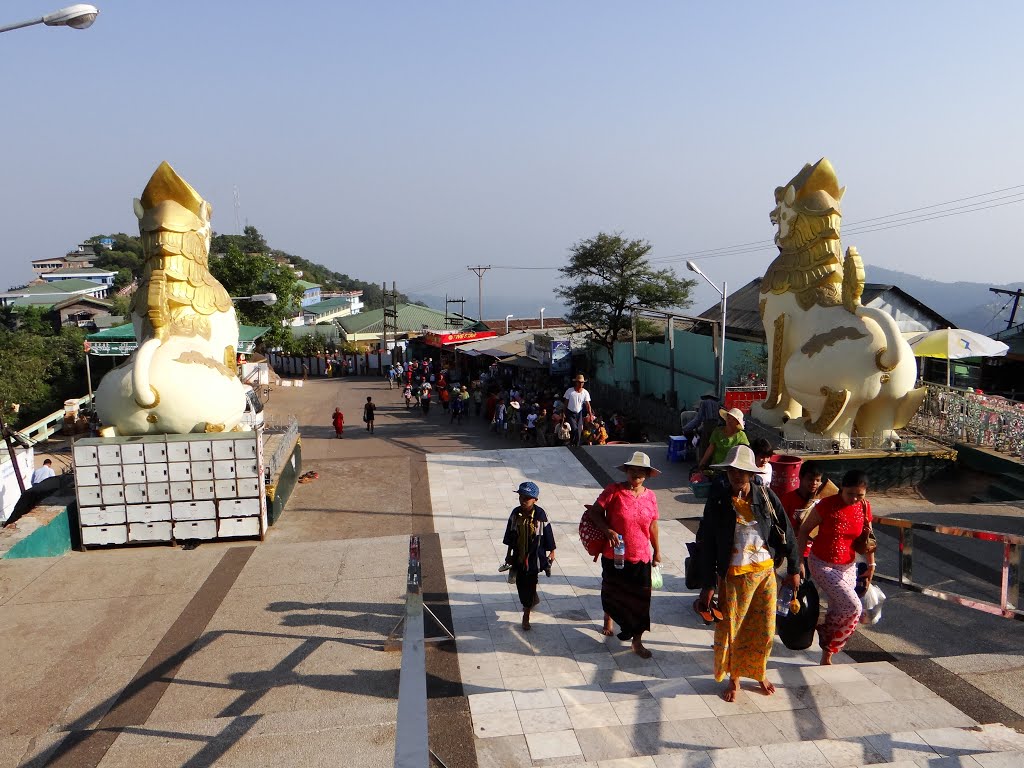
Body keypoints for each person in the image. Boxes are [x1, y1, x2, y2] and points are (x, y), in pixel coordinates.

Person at [697, 445, 800, 701]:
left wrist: (795, 568)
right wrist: (708, 583)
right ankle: (734, 677)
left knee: (764, 628)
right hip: (733, 575)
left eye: (742, 471)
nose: (737, 476)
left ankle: (758, 672)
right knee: (734, 627)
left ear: (751, 473)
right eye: (733, 471)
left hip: (765, 574)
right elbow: (706, 541)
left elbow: (786, 531)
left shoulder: (765, 497)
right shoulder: (719, 500)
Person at [583, 451, 662, 658]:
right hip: (615, 555)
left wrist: (657, 551)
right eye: (633, 470)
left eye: (641, 471)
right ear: (627, 471)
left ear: (646, 474)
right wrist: (607, 530)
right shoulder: (614, 491)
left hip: (641, 556)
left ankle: (637, 640)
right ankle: (609, 617)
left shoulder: (651, 497)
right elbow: (595, 512)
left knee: (641, 601)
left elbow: (653, 525)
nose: (636, 474)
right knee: (612, 595)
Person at [797, 469, 875, 665]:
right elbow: (804, 530)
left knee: (837, 608)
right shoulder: (826, 505)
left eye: (860, 495)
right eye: (851, 494)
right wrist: (798, 561)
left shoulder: (864, 507)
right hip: (822, 563)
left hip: (848, 565)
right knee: (853, 607)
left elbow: (868, 539)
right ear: (842, 488)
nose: (855, 499)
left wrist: (871, 564)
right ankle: (824, 632)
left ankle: (827, 655)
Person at [501, 481, 556, 631]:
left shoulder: (540, 515)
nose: (523, 501)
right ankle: (531, 600)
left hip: (534, 557)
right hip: (519, 555)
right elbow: (510, 535)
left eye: (527, 498)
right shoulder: (515, 514)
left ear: (535, 500)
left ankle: (526, 614)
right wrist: (508, 555)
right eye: (521, 497)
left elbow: (548, 533)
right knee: (520, 583)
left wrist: (552, 551)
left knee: (531, 582)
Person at [781, 461, 825, 565]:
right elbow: (781, 525)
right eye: (810, 479)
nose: (814, 483)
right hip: (795, 549)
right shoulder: (788, 499)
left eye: (818, 480)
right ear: (800, 477)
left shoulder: (823, 500)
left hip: (817, 551)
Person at [682, 390, 721, 455]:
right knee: (713, 444)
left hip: (707, 425)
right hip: (716, 426)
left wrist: (686, 428)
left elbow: (698, 419)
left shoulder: (704, 403)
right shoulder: (718, 404)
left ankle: (702, 462)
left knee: (704, 445)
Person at [562, 374, 593, 447]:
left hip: (579, 413)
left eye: (582, 382)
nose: (581, 384)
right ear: (576, 382)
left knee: (579, 430)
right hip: (570, 412)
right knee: (574, 428)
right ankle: (574, 443)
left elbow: (588, 405)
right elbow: (565, 403)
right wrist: (563, 412)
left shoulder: (585, 392)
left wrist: (590, 415)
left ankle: (576, 444)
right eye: (579, 382)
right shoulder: (570, 391)